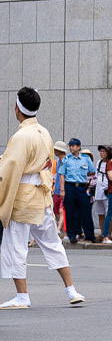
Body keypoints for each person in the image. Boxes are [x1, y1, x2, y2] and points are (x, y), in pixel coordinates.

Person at [0, 87, 86, 308]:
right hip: (41, 195)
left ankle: (22, 296)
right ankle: (71, 290)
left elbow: (9, 169)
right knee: (52, 243)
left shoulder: (21, 136)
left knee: (16, 246)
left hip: (23, 196)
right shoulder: (44, 132)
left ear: (17, 108)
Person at [58, 138, 96, 244]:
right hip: (69, 186)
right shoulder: (66, 159)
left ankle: (90, 235)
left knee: (85, 210)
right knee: (70, 211)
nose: (71, 147)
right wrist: (62, 190)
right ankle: (72, 235)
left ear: (78, 147)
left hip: (81, 187)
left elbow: (92, 172)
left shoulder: (85, 159)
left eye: (73, 145)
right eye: (70, 146)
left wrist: (83, 178)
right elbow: (62, 175)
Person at [89, 146, 109, 236]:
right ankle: (102, 233)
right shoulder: (99, 162)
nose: (102, 153)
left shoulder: (111, 162)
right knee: (100, 213)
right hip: (98, 190)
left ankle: (108, 233)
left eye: (104, 151)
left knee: (109, 213)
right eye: (100, 151)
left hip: (107, 190)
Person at [51, 141, 67, 237]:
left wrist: (63, 189)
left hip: (63, 189)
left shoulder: (66, 161)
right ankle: (62, 229)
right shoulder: (58, 162)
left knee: (62, 210)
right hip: (56, 189)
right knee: (56, 210)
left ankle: (58, 229)